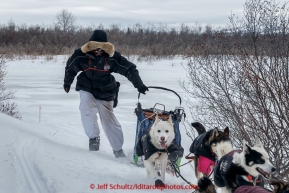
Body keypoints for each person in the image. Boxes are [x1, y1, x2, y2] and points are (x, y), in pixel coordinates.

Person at [63, 30, 148, 158]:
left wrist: (139, 84)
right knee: (86, 108)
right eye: (95, 47)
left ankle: (117, 149)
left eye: (101, 48)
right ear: (90, 45)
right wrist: (67, 83)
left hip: (106, 90)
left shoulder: (113, 57)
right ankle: (94, 138)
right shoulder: (80, 55)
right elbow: (70, 67)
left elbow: (129, 68)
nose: (98, 50)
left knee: (108, 119)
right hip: (86, 86)